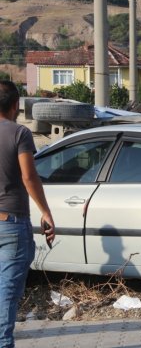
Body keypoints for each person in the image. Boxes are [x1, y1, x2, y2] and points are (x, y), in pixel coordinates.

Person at [0, 81, 54, 348]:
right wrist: (45, 211)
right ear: (15, 105)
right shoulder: (20, 133)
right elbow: (29, 176)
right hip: (11, 223)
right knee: (7, 294)